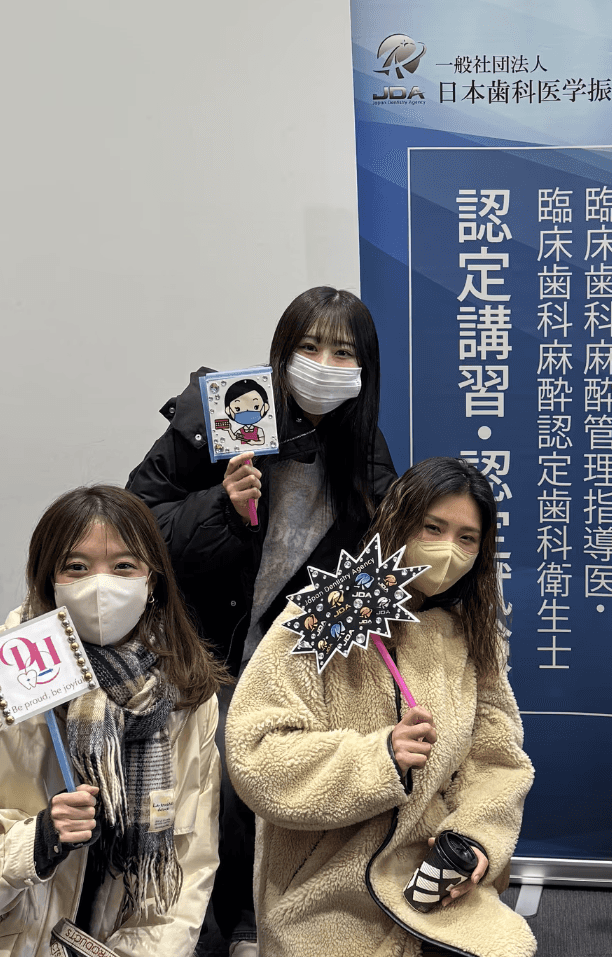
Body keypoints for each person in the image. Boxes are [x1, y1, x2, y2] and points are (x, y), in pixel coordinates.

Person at [127, 285, 398, 955]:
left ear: (365, 368)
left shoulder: (363, 449)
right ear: (281, 354)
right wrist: (220, 506)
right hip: (202, 639)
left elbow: (369, 565)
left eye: (343, 352)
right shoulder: (222, 413)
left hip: (286, 651)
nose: (323, 365)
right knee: (219, 771)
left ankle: (265, 910)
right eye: (309, 346)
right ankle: (212, 920)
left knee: (290, 760)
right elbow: (138, 523)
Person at [0, 485, 229, 956]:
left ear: (152, 581)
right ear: (48, 581)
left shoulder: (184, 699)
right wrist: (33, 844)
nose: (100, 586)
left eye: (124, 566)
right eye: (76, 567)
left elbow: (186, 868)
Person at [225, 456, 535, 957]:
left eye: (467, 538)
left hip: (429, 883)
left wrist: (475, 839)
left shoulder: (471, 636)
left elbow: (497, 760)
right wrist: (379, 757)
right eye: (432, 527)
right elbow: (255, 752)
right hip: (323, 895)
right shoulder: (326, 612)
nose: (448, 550)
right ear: (399, 521)